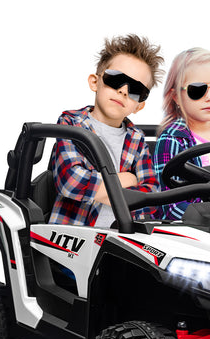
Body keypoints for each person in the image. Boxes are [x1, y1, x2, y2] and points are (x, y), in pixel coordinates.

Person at [49, 35, 164, 226]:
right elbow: (71, 183)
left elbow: (150, 198)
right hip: (75, 236)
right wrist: (129, 179)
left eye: (136, 89)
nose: (123, 91)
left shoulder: (137, 139)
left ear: (139, 105)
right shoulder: (71, 123)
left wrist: (99, 187)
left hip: (123, 237)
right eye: (116, 79)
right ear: (95, 82)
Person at [153, 48, 210, 220]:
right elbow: (169, 204)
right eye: (197, 89)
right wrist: (208, 217)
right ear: (175, 96)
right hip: (189, 226)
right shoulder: (172, 140)